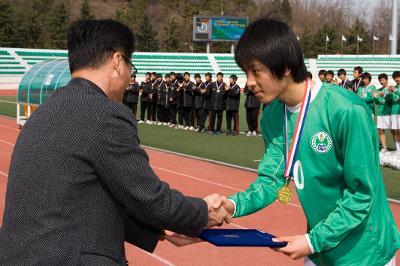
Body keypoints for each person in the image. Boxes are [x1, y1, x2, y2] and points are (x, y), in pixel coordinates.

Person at [0, 20, 232, 265]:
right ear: (118, 61)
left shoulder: (44, 112)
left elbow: (79, 201)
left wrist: (158, 233)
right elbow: (151, 199)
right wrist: (202, 212)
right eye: (131, 65)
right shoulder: (105, 114)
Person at [212, 19, 399, 265]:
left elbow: (362, 194)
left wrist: (312, 241)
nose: (249, 82)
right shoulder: (273, 115)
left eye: (256, 71)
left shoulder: (346, 110)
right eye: (245, 72)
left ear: (286, 66)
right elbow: (272, 179)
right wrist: (234, 205)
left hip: (365, 253)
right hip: (320, 248)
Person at [374, 73, 393, 153]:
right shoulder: (378, 90)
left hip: (389, 112)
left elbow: (390, 101)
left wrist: (381, 97)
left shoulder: (390, 89)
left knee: (394, 131)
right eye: (380, 80)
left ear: (386, 80)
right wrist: (376, 97)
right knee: (381, 130)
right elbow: (377, 102)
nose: (381, 82)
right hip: (380, 112)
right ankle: (384, 148)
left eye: (383, 80)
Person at [389, 71, 400, 154]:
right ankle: (398, 148)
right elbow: (393, 100)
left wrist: (395, 90)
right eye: (395, 78)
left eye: (398, 77)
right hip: (394, 111)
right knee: (394, 130)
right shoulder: (394, 88)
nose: (397, 79)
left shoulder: (395, 88)